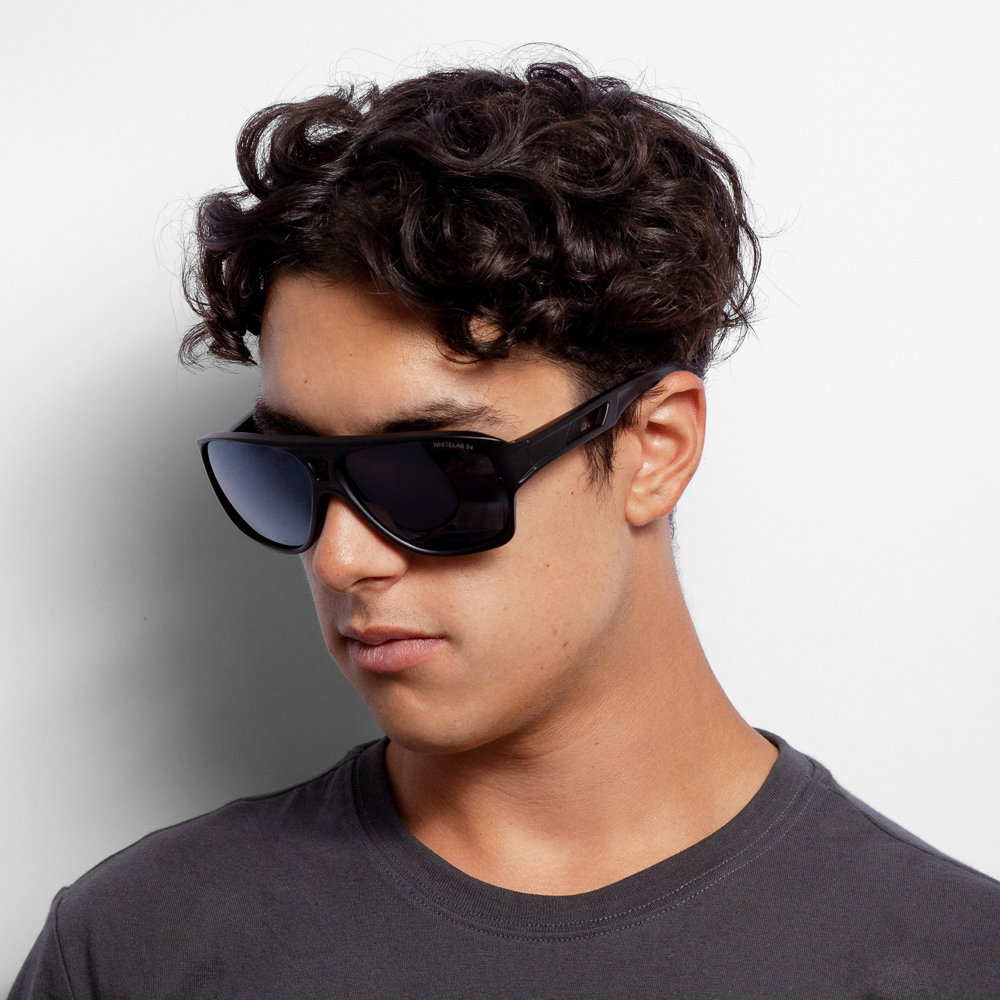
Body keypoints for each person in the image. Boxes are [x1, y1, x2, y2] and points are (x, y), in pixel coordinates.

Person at [11, 61, 999, 999]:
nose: (341, 558)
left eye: (431, 474)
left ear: (656, 448)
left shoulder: (952, 962)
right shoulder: (136, 945)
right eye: (291, 472)